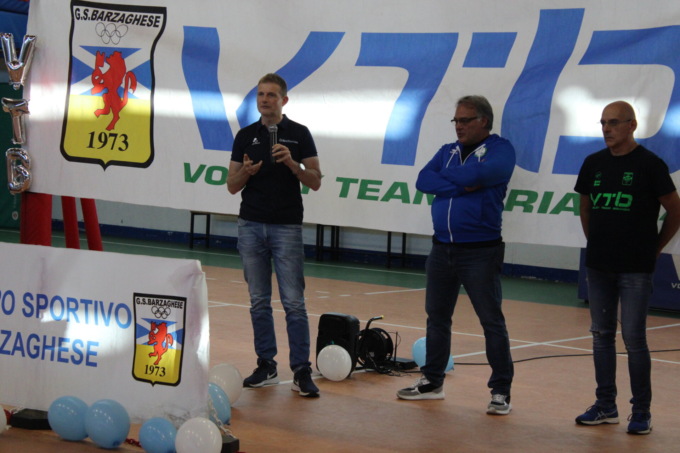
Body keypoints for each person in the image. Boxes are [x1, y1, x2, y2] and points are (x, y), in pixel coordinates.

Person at [397, 95, 516, 415]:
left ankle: (501, 390)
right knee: (437, 318)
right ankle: (432, 382)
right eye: (456, 121)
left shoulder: (501, 150)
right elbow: (424, 180)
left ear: (483, 121)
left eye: (465, 120)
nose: (459, 126)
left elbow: (478, 177)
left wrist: (453, 180)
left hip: (480, 252)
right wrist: (462, 184)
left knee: (491, 321)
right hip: (441, 249)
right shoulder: (447, 151)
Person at [574, 101, 680, 434]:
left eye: (614, 122)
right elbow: (586, 208)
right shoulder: (593, 163)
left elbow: (675, 210)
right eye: (603, 123)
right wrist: (596, 242)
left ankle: (641, 412)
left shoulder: (650, 165)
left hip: (635, 268)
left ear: (632, 125)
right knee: (601, 336)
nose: (606, 129)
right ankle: (606, 405)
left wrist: (655, 248)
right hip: (599, 266)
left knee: (634, 338)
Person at [227, 73, 322, 397]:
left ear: (284, 100)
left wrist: (293, 165)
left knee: (294, 302)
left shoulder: (299, 134)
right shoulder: (245, 136)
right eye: (261, 94)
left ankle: (301, 370)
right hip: (250, 225)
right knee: (258, 301)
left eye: (271, 95)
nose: (265, 100)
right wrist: (246, 171)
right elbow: (231, 186)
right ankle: (266, 365)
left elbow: (315, 180)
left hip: (286, 227)